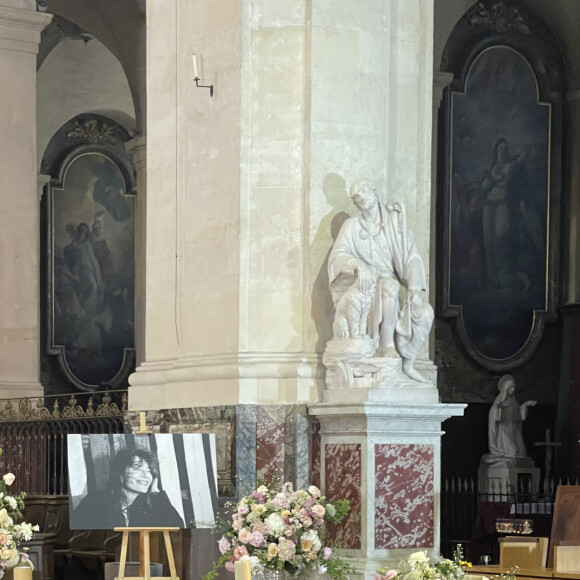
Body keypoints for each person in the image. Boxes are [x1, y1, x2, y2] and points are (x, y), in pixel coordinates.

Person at [327, 179, 434, 382]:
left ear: (375, 192)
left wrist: (413, 288)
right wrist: (357, 265)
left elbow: (411, 255)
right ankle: (387, 346)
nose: (361, 199)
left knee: (426, 313)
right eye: (356, 197)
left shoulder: (394, 223)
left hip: (393, 288)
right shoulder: (351, 226)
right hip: (369, 289)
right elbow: (337, 256)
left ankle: (408, 363)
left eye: (364, 192)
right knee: (389, 286)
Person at [71, 448, 185, 529]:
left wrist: (156, 495)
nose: (145, 475)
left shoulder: (149, 506)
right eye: (137, 468)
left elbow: (177, 529)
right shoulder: (96, 502)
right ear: (120, 474)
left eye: (149, 471)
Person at [487, 374, 537, 461]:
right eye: (510, 388)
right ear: (506, 389)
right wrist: (498, 408)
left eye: (514, 388)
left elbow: (519, 417)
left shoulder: (514, 402)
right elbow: (494, 415)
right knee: (512, 452)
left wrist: (525, 405)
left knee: (522, 452)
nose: (513, 390)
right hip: (504, 429)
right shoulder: (499, 401)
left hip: (513, 429)